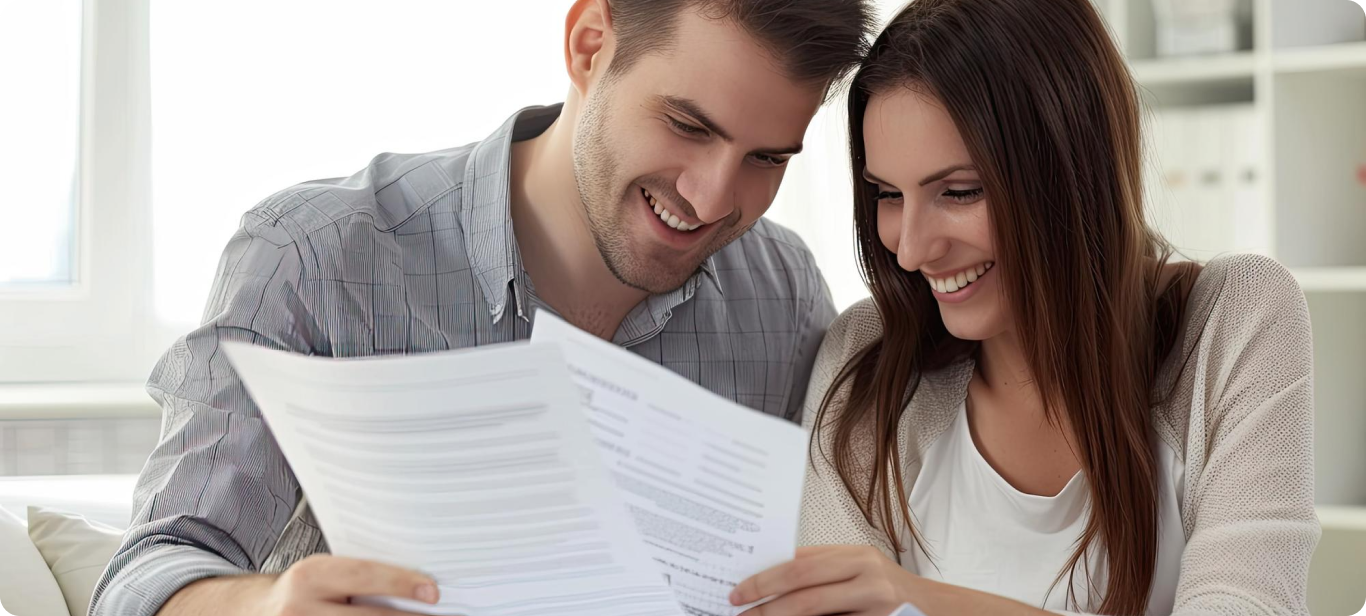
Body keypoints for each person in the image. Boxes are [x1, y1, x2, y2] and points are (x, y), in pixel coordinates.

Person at [91, 1, 876, 614]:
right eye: (687, 125)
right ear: (588, 44)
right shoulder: (314, 257)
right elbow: (143, 576)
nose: (712, 199)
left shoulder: (783, 294)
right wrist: (263, 606)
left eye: (766, 159)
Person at [728, 0, 1318, 614]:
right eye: (888, 194)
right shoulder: (866, 362)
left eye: (958, 192)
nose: (910, 250)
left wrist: (922, 600)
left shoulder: (1236, 322)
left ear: (1067, 172)